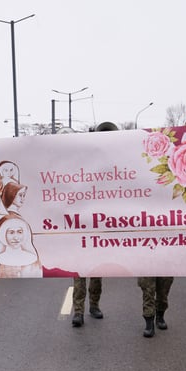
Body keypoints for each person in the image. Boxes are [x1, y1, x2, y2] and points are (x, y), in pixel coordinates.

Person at [71, 121, 118, 327]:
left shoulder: (110, 168)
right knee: (80, 275)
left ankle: (94, 306)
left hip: (99, 231)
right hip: (80, 229)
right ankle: (78, 311)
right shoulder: (80, 168)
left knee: (97, 274)